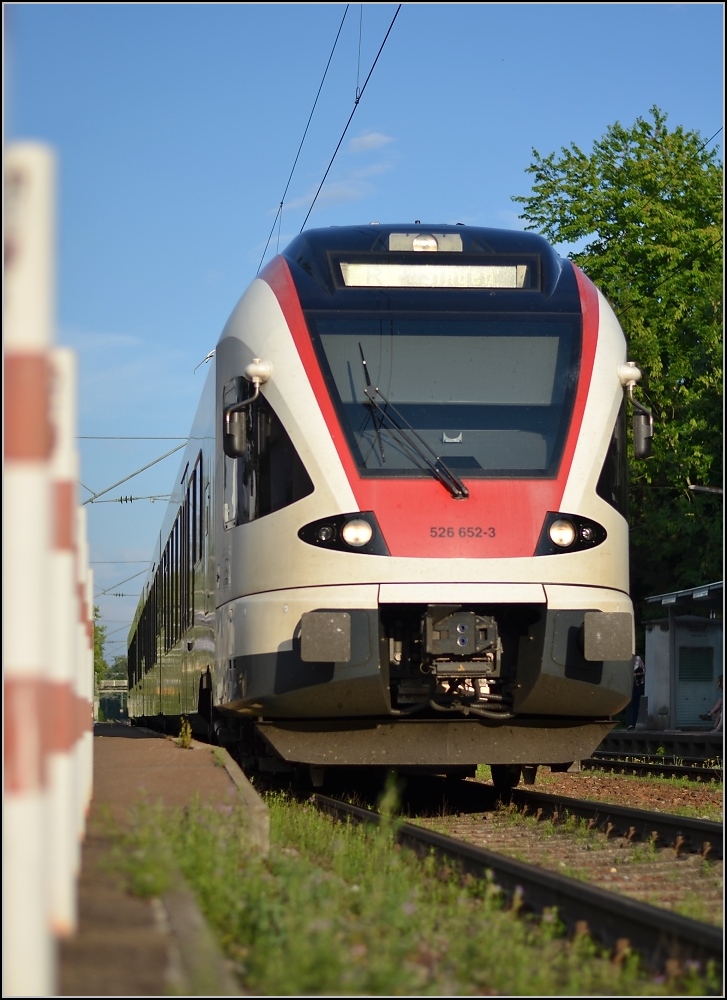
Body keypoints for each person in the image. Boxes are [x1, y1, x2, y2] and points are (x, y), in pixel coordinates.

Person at [626, 654, 645, 730]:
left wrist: (636, 674)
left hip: (637, 685)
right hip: (628, 686)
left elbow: (643, 671)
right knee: (629, 704)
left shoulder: (638, 659)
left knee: (636, 705)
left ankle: (633, 723)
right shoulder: (626, 660)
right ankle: (629, 723)